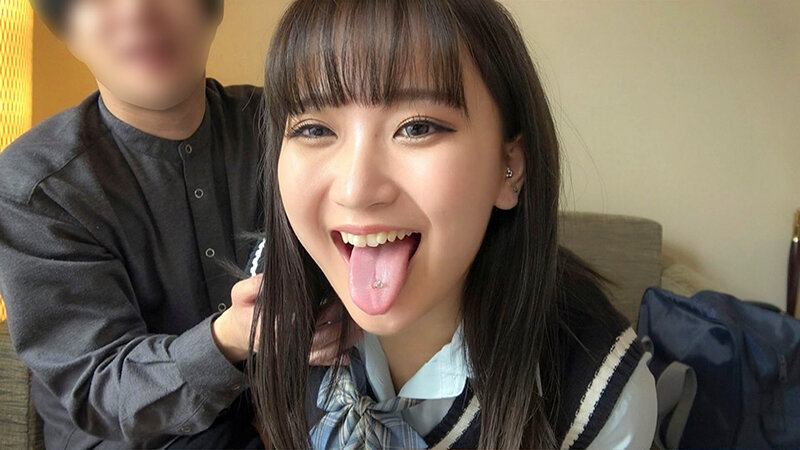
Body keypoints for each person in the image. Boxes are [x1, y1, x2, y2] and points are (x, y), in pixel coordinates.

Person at [246, 0, 658, 448]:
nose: (356, 190)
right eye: (314, 130)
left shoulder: (599, 396)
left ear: (510, 167)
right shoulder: (276, 291)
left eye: (417, 127)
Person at [0, 0, 353, 447]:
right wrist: (231, 336)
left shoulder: (287, 126)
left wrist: (346, 309)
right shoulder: (37, 188)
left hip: (292, 407)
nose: (137, 10)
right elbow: (100, 388)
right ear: (68, 33)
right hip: (134, 436)